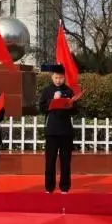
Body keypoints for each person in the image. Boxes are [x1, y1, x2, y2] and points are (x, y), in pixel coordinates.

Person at [38, 64, 76, 194]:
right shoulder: (47, 91)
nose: (58, 80)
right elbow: (41, 108)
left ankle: (64, 187)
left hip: (65, 131)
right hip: (52, 131)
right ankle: (49, 187)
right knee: (50, 161)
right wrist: (52, 101)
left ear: (64, 78)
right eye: (56, 77)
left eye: (60, 77)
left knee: (65, 161)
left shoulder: (69, 91)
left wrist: (70, 105)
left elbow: (75, 110)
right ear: (52, 77)